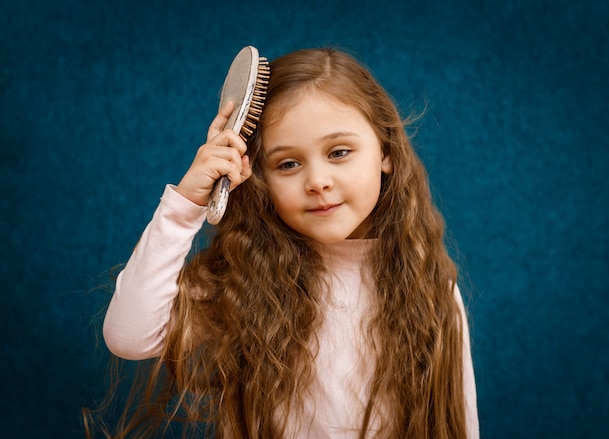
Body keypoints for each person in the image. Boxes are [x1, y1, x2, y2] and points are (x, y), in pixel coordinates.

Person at [99, 47, 479, 438]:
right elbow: (130, 336)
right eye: (288, 164)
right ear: (258, 175)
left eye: (339, 152)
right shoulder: (243, 280)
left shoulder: (431, 290)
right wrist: (185, 205)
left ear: (386, 152)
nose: (317, 181)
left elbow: (460, 425)